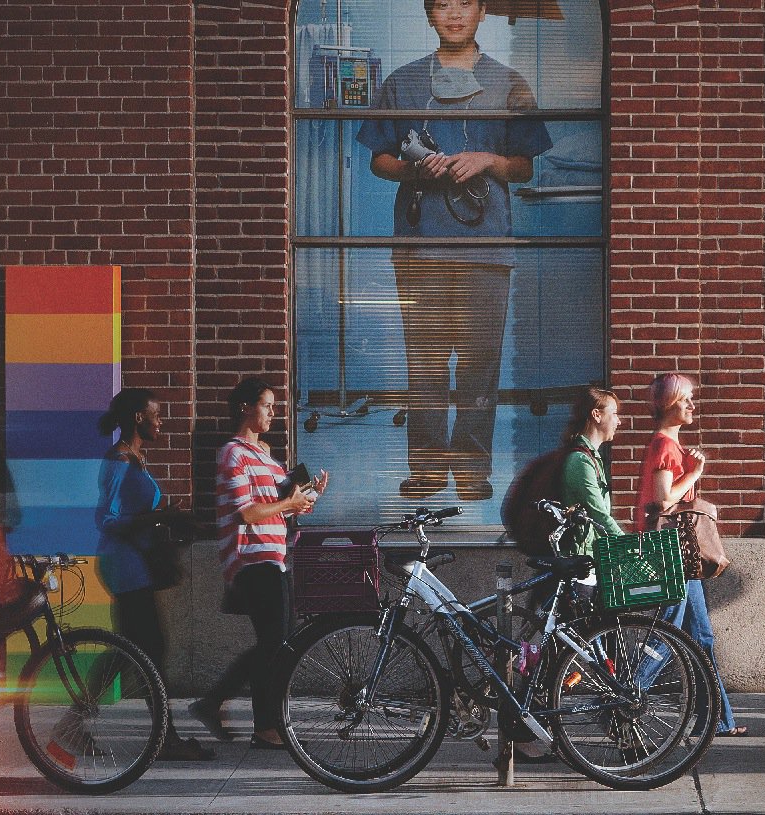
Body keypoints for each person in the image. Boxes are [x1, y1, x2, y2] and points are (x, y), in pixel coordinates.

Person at [357, 0, 553, 503]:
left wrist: (485, 159)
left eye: (465, 2)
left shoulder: (509, 83)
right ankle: (426, 471)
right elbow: (379, 160)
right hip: (420, 248)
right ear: (428, 14)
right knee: (423, 364)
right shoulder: (402, 84)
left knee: (479, 365)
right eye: (442, 4)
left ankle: (470, 472)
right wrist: (414, 169)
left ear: (482, 11)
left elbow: (524, 167)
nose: (454, 13)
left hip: (486, 250)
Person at [189, 378, 327, 750]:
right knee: (275, 644)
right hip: (251, 558)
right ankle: (265, 727)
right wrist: (288, 504)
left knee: (276, 643)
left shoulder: (265, 456)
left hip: (273, 556)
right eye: (266, 405)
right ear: (245, 408)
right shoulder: (232, 453)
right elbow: (246, 512)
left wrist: (308, 496)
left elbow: (285, 505)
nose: (272, 413)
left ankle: (213, 703)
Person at [90, 389, 217, 761]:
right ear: (138, 418)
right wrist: (161, 516)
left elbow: (135, 511)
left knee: (134, 650)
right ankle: (165, 739)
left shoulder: (135, 459)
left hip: (135, 565)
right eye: (156, 416)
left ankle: (76, 724)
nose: (161, 422)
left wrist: (168, 515)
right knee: (146, 650)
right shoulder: (118, 461)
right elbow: (106, 519)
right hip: (123, 564)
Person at [638, 373, 746, 737]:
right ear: (670, 404)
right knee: (668, 634)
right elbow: (662, 501)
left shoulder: (670, 445)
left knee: (701, 638)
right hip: (672, 552)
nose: (692, 405)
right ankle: (626, 696)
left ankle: (719, 720)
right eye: (685, 400)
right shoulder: (664, 446)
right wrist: (695, 472)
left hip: (683, 554)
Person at [552, 385, 625, 559]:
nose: (619, 421)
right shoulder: (580, 461)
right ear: (596, 415)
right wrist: (630, 546)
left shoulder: (592, 458)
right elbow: (599, 515)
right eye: (614, 414)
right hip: (581, 560)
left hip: (592, 556)